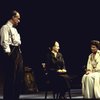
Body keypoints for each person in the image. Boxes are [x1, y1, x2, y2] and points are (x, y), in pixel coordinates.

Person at [0, 10, 24, 100]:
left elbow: (18, 43)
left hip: (18, 53)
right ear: (13, 17)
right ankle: (9, 97)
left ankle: (15, 97)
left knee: (18, 78)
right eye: (18, 18)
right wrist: (9, 55)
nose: (19, 20)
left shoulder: (15, 29)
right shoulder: (5, 27)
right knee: (11, 78)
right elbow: (4, 42)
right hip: (11, 53)